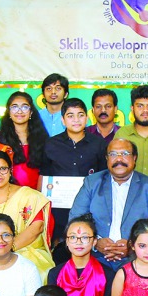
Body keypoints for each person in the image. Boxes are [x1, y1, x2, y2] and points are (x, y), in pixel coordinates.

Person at [69, 138, 148, 272]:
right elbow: (76, 218)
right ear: (106, 158)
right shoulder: (92, 183)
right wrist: (95, 242)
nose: (119, 159)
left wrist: (133, 245)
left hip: (137, 258)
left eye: (125, 153)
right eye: (113, 154)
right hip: (95, 256)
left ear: (134, 158)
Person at [0, 150, 54, 278]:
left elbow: (37, 226)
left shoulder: (28, 195)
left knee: (35, 273)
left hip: (26, 249)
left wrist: (9, 247)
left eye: (3, 169)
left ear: (10, 170)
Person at [41, 98, 108, 241]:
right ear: (63, 120)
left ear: (87, 118)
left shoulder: (99, 144)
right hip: (58, 209)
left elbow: (104, 177)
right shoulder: (51, 144)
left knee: (87, 242)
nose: (76, 120)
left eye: (80, 115)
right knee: (60, 248)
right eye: (70, 116)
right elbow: (44, 177)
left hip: (90, 208)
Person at [48, 214, 106, 296]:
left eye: (85, 237)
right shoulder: (55, 274)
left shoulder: (106, 274)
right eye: (73, 237)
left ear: (94, 241)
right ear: (67, 241)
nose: (78, 242)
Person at [0, 91, 47, 190]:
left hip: (38, 196)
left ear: (31, 112)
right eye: (14, 107)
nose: (20, 111)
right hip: (8, 196)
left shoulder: (43, 139)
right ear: (9, 112)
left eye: (25, 107)